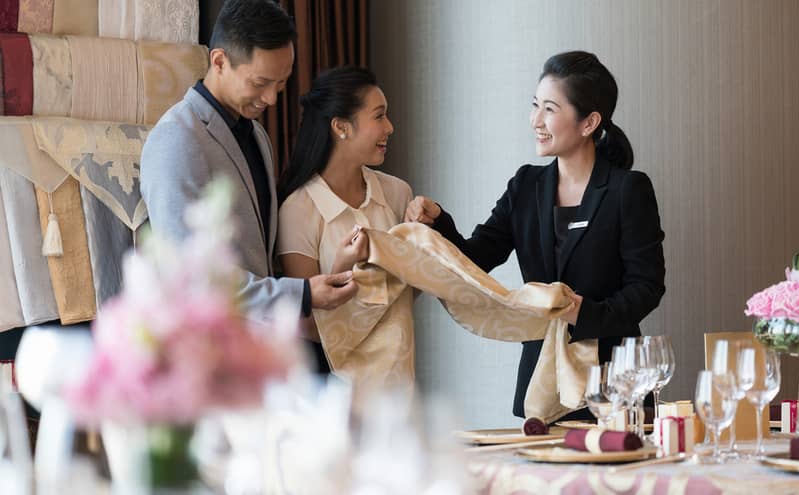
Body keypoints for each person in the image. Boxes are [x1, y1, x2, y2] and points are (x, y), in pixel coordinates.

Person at [405, 51, 666, 419]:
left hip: (615, 382)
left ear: (589, 122)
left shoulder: (628, 189)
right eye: (535, 106)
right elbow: (476, 258)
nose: (535, 121)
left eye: (549, 109)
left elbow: (647, 286)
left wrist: (584, 313)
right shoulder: (526, 185)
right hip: (541, 380)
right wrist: (439, 222)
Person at [140, 0, 356, 324]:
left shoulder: (256, 134)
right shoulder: (177, 139)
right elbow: (192, 274)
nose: (271, 98)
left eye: (281, 83)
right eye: (260, 83)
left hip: (254, 346)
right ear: (219, 61)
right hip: (206, 347)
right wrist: (303, 295)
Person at [276, 66, 412, 372]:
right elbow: (307, 324)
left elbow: (407, 296)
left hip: (394, 378)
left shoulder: (397, 194)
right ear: (341, 127)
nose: (389, 127)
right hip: (331, 385)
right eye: (379, 116)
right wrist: (344, 266)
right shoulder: (298, 209)